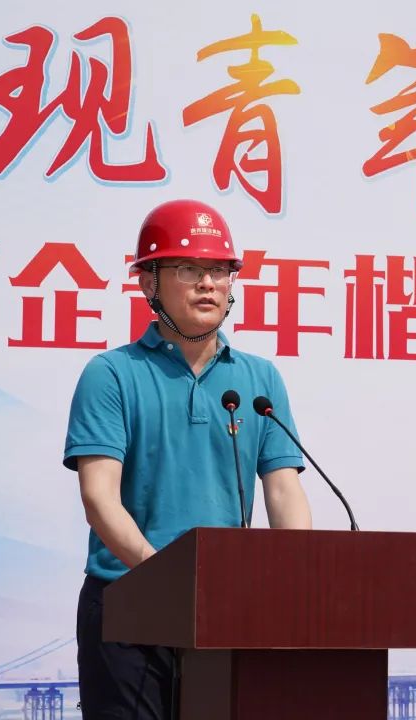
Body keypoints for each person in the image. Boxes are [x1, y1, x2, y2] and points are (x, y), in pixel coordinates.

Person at [63, 199, 313, 720]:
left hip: (227, 608)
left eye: (219, 271)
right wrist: (164, 581)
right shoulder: (112, 374)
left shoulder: (259, 379)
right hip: (128, 603)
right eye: (188, 269)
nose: (208, 284)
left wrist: (296, 576)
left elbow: (284, 488)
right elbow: (99, 497)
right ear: (148, 283)